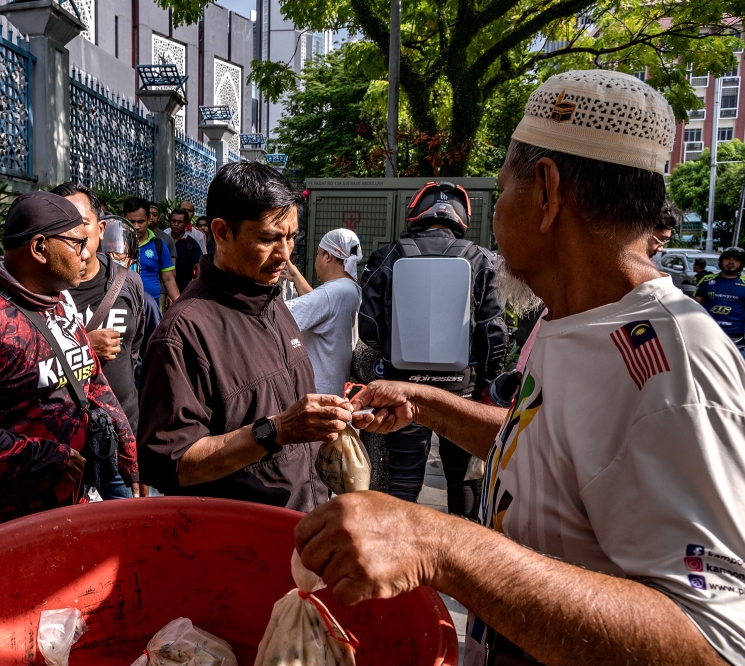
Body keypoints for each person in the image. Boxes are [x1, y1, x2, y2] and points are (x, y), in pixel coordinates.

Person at [296, 70, 745, 666]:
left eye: (502, 188)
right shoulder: (572, 318)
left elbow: (711, 644)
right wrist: (429, 405)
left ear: (547, 190)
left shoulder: (673, 365)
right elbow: (555, 451)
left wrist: (440, 545)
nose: (493, 213)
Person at [0, 192, 138, 548]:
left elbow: (90, 379)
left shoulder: (60, 305)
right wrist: (43, 456)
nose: (87, 253)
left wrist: (125, 445)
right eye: (77, 243)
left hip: (61, 509)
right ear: (39, 248)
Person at [138, 162, 353, 510]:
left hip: (303, 524)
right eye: (269, 238)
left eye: (292, 236)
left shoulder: (272, 299)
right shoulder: (183, 334)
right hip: (240, 540)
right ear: (222, 232)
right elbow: (171, 463)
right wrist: (276, 430)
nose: (285, 254)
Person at [359, 180, 506, 517]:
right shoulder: (481, 259)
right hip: (461, 391)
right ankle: (459, 562)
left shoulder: (388, 255)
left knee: (403, 478)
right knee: (463, 481)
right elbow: (494, 335)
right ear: (461, 216)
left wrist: (393, 353)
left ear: (417, 211)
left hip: (403, 386)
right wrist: (483, 384)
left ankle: (396, 556)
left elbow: (369, 326)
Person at [51, 182, 149, 500]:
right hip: (60, 448)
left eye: (81, 222)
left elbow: (138, 352)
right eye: (60, 224)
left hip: (121, 443)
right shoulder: (40, 291)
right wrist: (83, 347)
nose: (73, 233)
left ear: (100, 227)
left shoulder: (128, 283)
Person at [282, 229, 363, 397]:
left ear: (328, 256)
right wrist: (296, 276)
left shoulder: (333, 293)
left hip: (316, 393)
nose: (316, 259)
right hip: (334, 390)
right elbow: (320, 309)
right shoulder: (351, 289)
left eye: (318, 254)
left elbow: (279, 317)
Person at [124, 197, 180, 307]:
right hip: (122, 306)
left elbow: (169, 280)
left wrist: (180, 307)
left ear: (148, 219)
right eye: (131, 222)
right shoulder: (114, 245)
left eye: (141, 222)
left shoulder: (159, 245)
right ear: (123, 218)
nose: (136, 227)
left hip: (151, 308)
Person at [694, 246, 745, 355]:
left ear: (742, 264)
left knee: (736, 371)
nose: (731, 262)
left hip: (737, 338)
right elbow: (693, 307)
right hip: (708, 334)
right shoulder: (707, 280)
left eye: (736, 260)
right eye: (727, 259)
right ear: (721, 261)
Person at [167, 208, 203, 292]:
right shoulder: (163, 240)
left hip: (184, 290)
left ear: (186, 225)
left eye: (179, 222)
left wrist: (198, 288)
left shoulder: (191, 243)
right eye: (173, 221)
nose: (176, 224)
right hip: (163, 288)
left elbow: (198, 267)